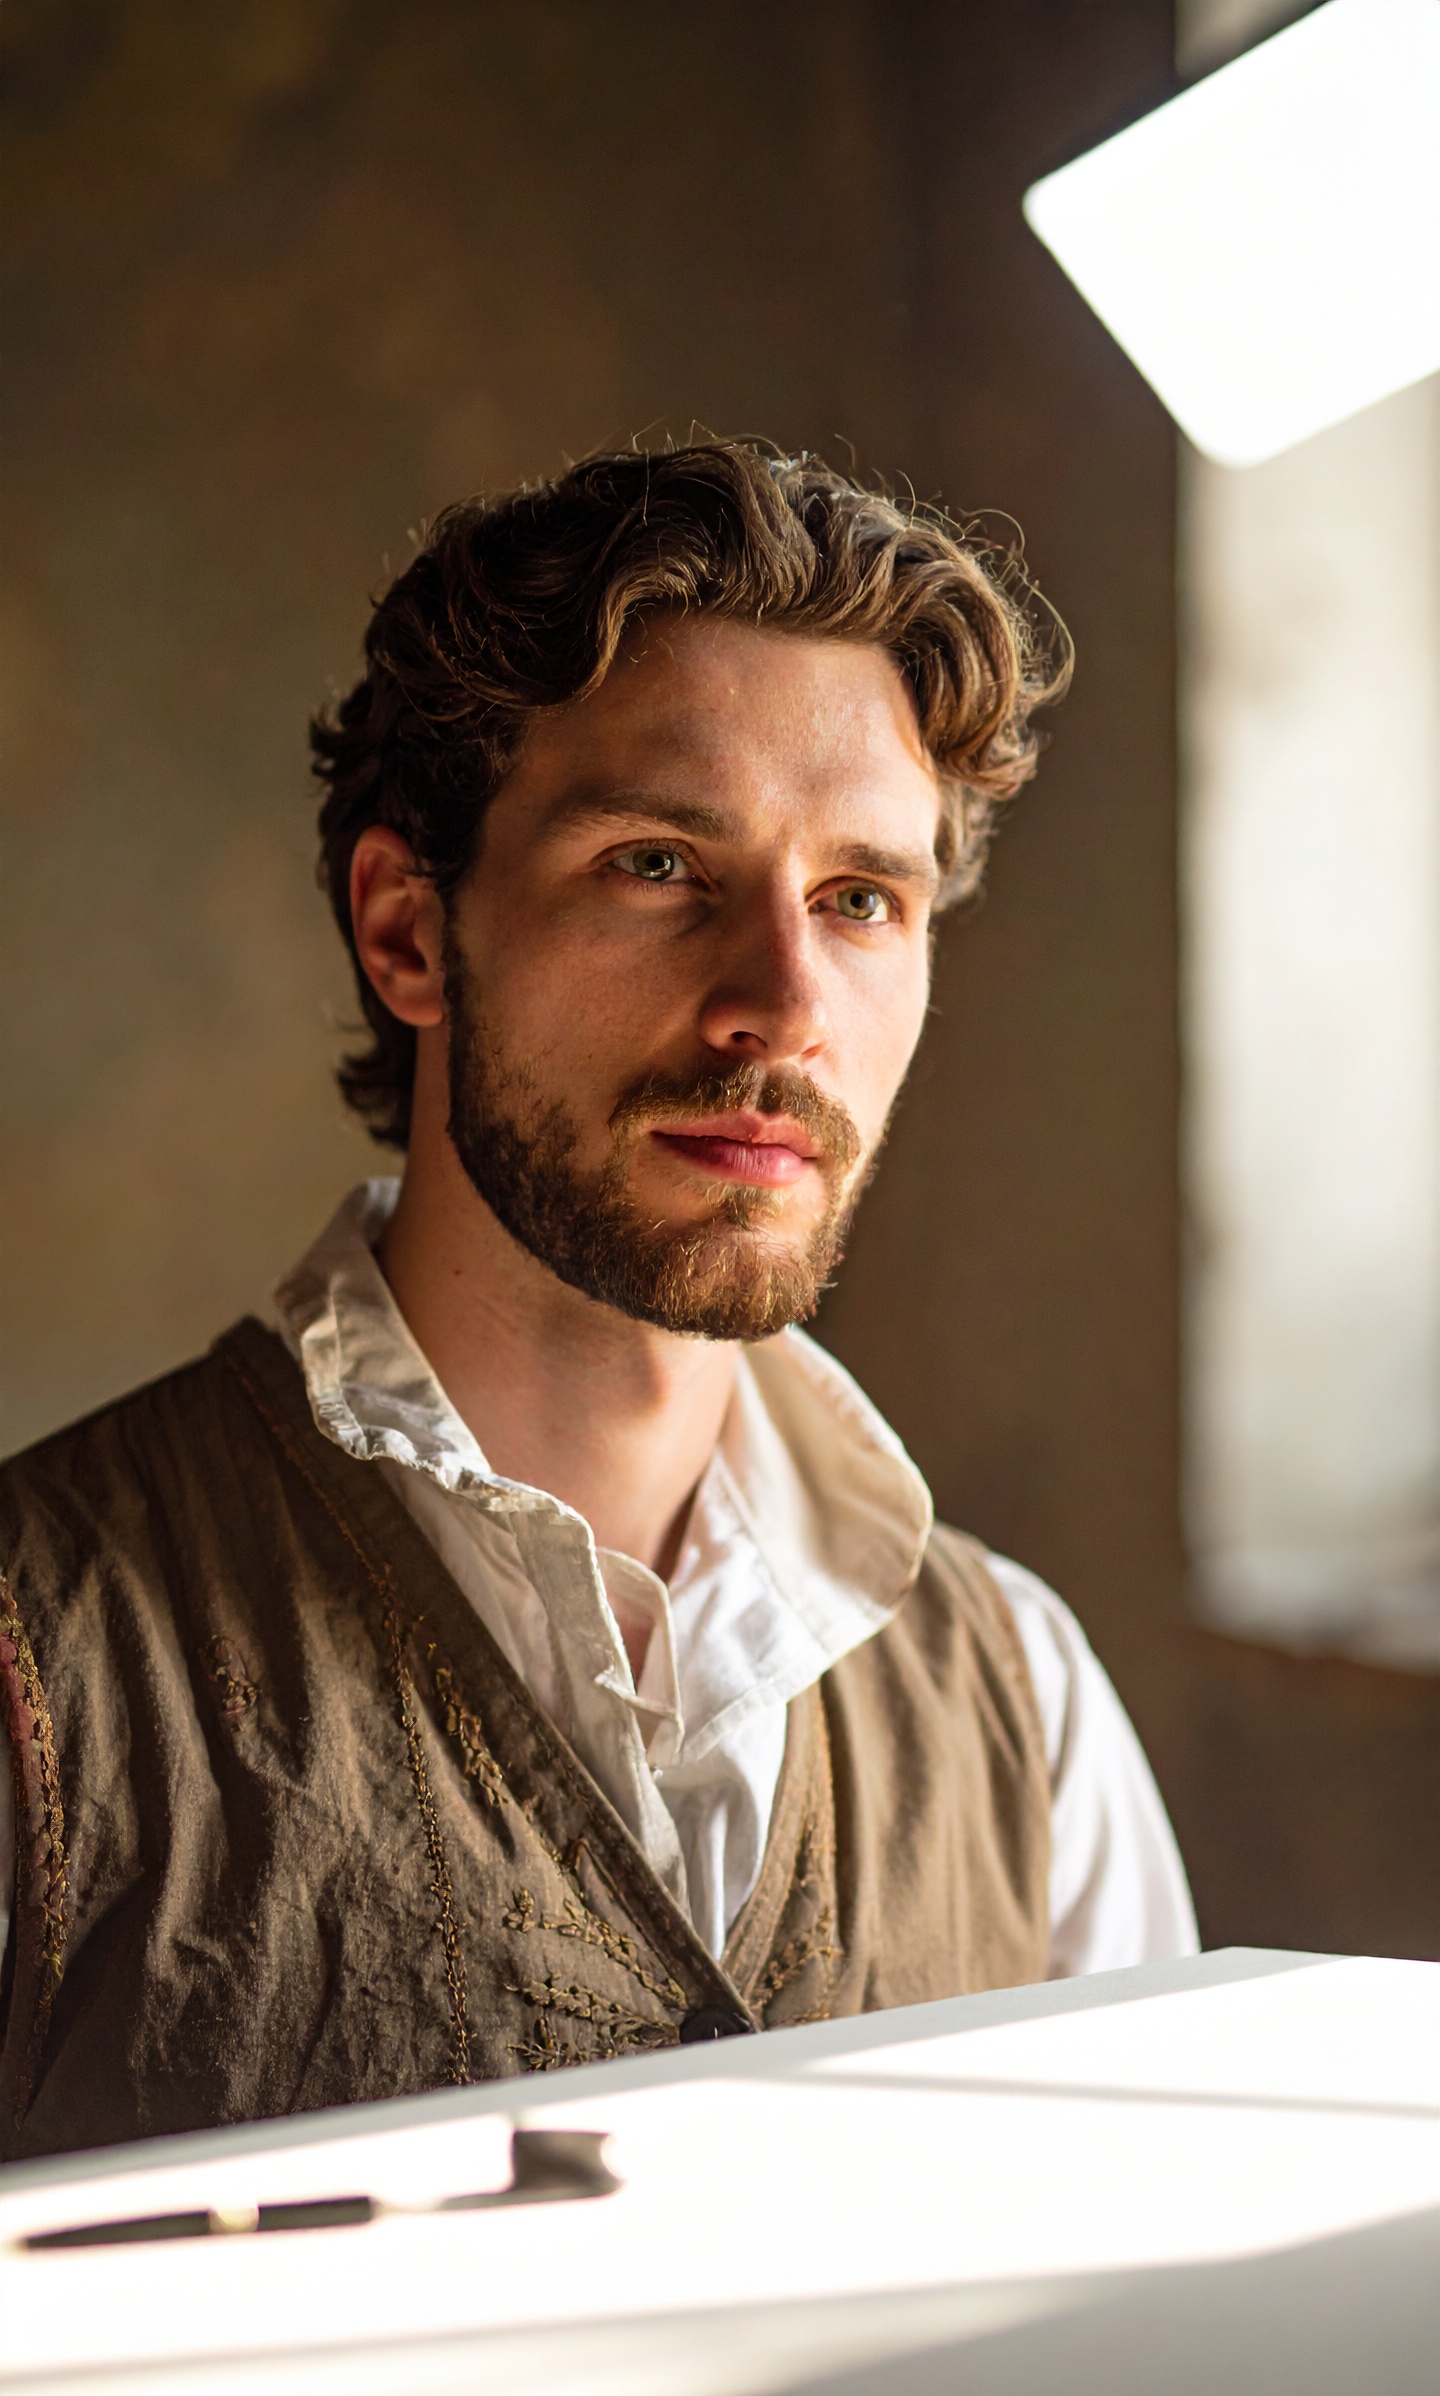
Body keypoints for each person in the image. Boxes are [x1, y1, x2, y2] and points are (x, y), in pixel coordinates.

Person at [0, 442, 1195, 2161]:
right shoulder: (44, 1662)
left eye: (861, 899)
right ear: (409, 934)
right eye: (656, 865)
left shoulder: (1025, 1697)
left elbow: (1138, 2342)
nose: (782, 1005)